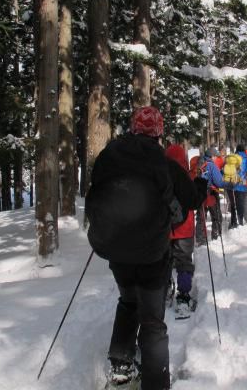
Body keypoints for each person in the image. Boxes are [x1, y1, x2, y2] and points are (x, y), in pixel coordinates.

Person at [85, 106, 207, 390]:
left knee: (128, 301)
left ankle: (121, 365)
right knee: (152, 320)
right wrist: (200, 184)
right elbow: (189, 200)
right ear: (158, 131)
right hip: (152, 251)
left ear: (133, 127)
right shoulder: (161, 160)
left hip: (115, 249)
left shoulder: (109, 155)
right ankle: (155, 383)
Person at [165, 144, 202, 319]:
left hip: (164, 228)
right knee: (184, 262)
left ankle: (163, 292)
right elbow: (196, 200)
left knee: (163, 261)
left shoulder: (160, 176)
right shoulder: (187, 175)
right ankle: (184, 297)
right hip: (185, 228)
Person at [195, 147, 225, 245]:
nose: (216, 158)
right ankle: (216, 236)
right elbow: (219, 182)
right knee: (216, 215)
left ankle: (200, 239)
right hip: (211, 193)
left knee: (201, 216)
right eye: (215, 156)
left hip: (199, 192)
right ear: (212, 156)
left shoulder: (198, 163)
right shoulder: (211, 165)